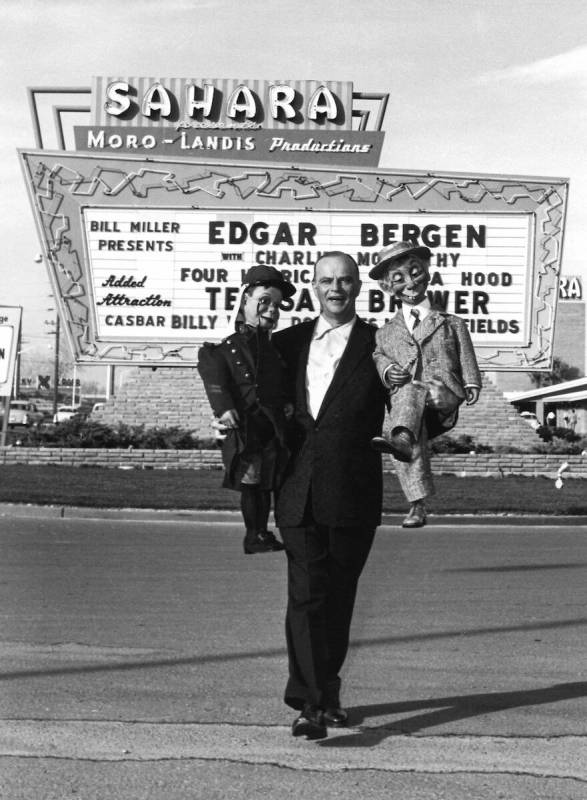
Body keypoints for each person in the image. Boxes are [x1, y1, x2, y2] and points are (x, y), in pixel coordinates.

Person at [272, 251, 388, 739]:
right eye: (326, 281)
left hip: (353, 490)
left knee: (337, 598)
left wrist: (439, 410)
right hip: (296, 488)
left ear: (359, 287)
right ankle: (311, 703)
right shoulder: (286, 343)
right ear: (312, 287)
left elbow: (413, 403)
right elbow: (259, 407)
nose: (335, 289)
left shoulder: (382, 343)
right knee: (306, 595)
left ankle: (324, 692)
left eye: (344, 281)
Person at [369, 241, 482, 529]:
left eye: (415, 273)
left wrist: (471, 385)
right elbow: (379, 357)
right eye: (399, 278)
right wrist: (388, 370)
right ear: (387, 287)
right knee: (407, 411)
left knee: (403, 422)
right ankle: (417, 506)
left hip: (443, 399)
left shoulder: (451, 322)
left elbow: (465, 353)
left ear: (427, 273)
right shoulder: (384, 333)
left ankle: (402, 439)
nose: (410, 282)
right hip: (410, 404)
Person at [197, 265, 296, 554]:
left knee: (267, 482)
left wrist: (287, 402)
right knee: (251, 481)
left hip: (271, 425)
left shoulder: (273, 347)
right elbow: (214, 375)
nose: (271, 309)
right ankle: (254, 534)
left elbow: (280, 381)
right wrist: (223, 408)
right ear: (244, 301)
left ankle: (263, 533)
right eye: (264, 301)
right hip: (247, 426)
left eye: (276, 305)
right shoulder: (227, 348)